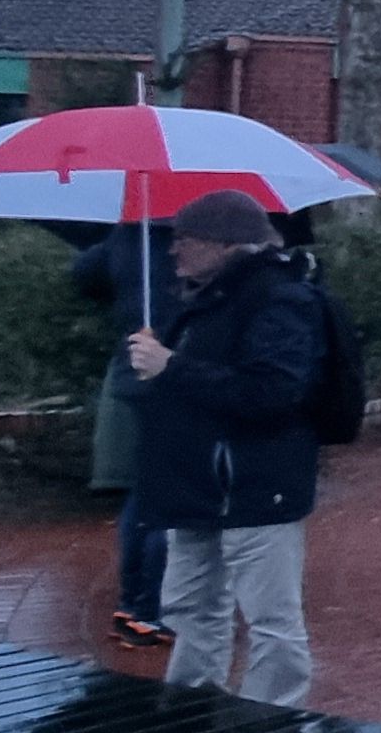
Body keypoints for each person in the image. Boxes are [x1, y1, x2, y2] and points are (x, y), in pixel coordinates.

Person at [125, 190, 330, 706]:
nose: (173, 250)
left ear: (225, 245)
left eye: (185, 239)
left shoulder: (281, 298)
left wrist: (171, 365)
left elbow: (273, 392)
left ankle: (273, 725)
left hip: (257, 487)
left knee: (271, 618)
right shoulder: (199, 298)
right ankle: (192, 712)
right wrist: (162, 362)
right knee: (190, 607)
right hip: (195, 488)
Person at [72, 219, 182, 651]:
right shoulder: (189, 244)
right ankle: (149, 610)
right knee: (167, 501)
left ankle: (132, 604)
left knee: (140, 495)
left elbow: (84, 274)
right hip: (168, 383)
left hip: (125, 377)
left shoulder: (125, 235)